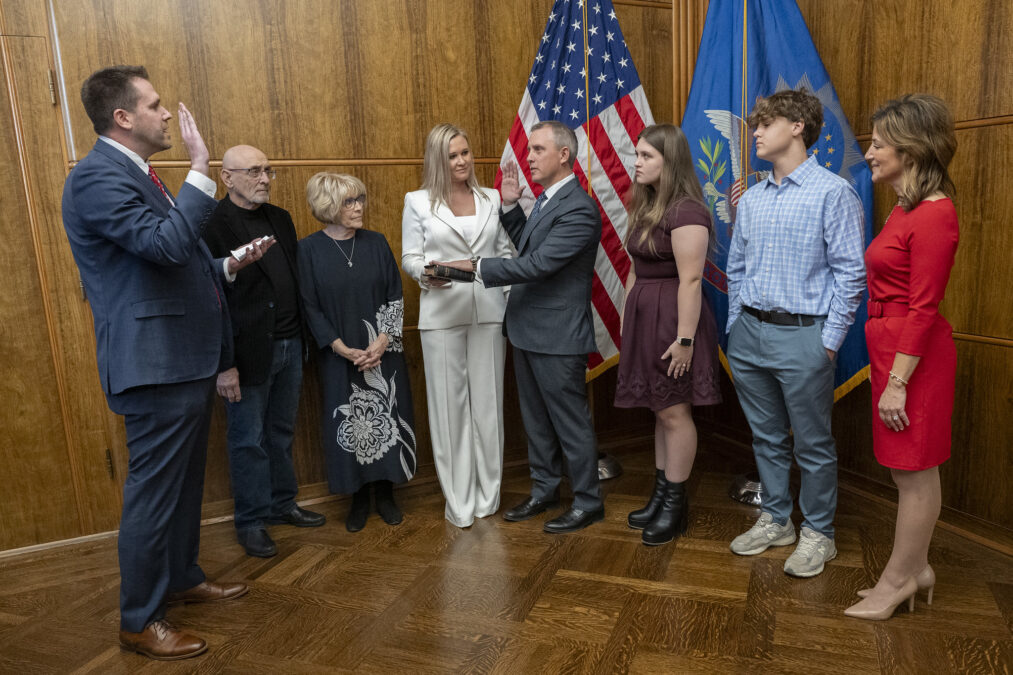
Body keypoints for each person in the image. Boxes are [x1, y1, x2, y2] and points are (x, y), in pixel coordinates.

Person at [61, 65, 265, 660]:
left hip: (183, 358)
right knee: (154, 492)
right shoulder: (97, 179)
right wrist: (201, 170)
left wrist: (225, 268)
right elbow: (167, 244)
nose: (168, 113)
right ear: (123, 117)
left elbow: (171, 258)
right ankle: (139, 619)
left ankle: (180, 576)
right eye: (154, 104)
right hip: (154, 364)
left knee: (182, 485)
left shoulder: (137, 174)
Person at [437, 120, 604, 534]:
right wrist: (511, 208)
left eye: (537, 150)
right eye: (529, 150)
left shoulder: (580, 208)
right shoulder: (547, 201)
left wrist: (475, 267)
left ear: (564, 155)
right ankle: (545, 489)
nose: (527, 157)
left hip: (558, 336)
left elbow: (539, 264)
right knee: (536, 421)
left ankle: (588, 501)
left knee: (570, 423)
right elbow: (531, 247)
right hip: (528, 330)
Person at [725, 88, 866, 577]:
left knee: (812, 444)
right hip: (749, 337)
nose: (756, 133)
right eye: (755, 125)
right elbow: (737, 266)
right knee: (765, 437)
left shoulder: (833, 192)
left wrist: (826, 344)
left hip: (804, 337)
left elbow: (851, 275)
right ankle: (777, 519)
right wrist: (735, 326)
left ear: (798, 127)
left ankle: (819, 533)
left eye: (765, 124)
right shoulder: (754, 197)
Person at [844, 94, 958, 620]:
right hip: (892, 345)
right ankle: (917, 569)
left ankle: (900, 579)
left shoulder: (936, 214)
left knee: (915, 471)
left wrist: (897, 381)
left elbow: (924, 305)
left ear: (911, 151)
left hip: (915, 356)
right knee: (903, 469)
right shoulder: (905, 209)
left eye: (879, 143)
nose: (869, 152)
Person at [202, 145, 325, 559]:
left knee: (281, 433)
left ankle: (282, 504)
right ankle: (251, 522)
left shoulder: (281, 218)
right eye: (254, 171)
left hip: (291, 344)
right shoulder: (210, 223)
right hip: (246, 354)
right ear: (227, 176)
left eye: (267, 170)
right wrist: (224, 365)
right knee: (247, 440)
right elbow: (208, 300)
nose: (265, 178)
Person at [401, 124, 514, 528]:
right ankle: (460, 503)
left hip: (488, 311)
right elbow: (410, 256)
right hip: (441, 313)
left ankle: (489, 496)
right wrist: (424, 274)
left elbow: (503, 254)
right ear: (437, 160)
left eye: (465, 152)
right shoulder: (417, 202)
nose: (462, 161)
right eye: (452, 156)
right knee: (449, 410)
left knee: (489, 407)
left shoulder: (492, 198)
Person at [615, 124, 722, 546]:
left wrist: (685, 340)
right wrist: (628, 321)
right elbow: (633, 270)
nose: (636, 163)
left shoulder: (687, 210)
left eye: (646, 156)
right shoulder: (646, 205)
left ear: (669, 161)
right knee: (659, 410)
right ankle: (660, 495)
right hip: (645, 318)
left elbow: (692, 280)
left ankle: (675, 505)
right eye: (637, 155)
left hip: (675, 322)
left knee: (676, 412)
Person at [298, 172, 417, 532]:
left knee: (389, 418)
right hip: (339, 355)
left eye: (359, 199)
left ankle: (385, 494)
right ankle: (358, 499)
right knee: (349, 423)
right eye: (350, 201)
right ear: (328, 206)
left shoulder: (377, 242)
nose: (358, 207)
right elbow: (309, 306)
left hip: (384, 352)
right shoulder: (307, 249)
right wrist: (341, 348)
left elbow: (395, 294)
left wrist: (381, 341)